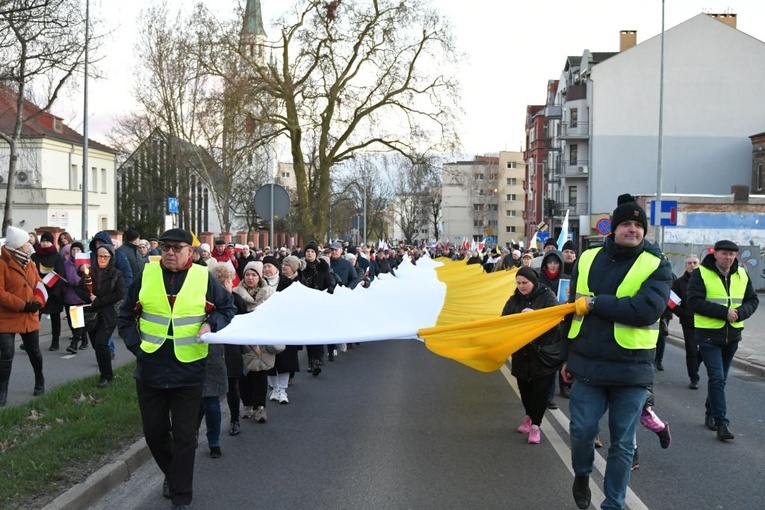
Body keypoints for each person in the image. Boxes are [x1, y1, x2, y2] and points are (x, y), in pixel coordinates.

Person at [561, 194, 672, 510]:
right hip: (587, 364)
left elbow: (646, 310)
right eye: (626, 223)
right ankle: (582, 473)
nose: (633, 230)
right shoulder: (587, 258)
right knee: (581, 431)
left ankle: (614, 503)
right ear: (614, 227)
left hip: (632, 369)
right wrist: (564, 357)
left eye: (639, 225)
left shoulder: (656, 264)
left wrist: (597, 303)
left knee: (623, 444)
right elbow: (572, 310)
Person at [117, 228, 236, 508]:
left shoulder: (202, 276)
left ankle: (181, 495)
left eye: (177, 248)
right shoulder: (147, 274)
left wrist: (211, 324)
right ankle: (173, 473)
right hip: (151, 368)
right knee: (154, 433)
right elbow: (124, 315)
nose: (169, 252)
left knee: (185, 437)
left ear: (190, 252)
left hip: (189, 369)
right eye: (166, 247)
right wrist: (137, 347)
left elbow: (226, 308)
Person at [686, 240, 758, 441]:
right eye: (725, 254)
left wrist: (740, 313)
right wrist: (723, 313)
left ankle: (710, 413)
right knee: (717, 378)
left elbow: (752, 300)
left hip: (732, 335)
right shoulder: (701, 273)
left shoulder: (741, 273)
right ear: (715, 254)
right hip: (708, 334)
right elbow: (693, 301)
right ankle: (721, 423)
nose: (729, 258)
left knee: (721, 379)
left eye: (732, 254)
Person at [503, 267, 561, 444]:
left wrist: (535, 316)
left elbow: (556, 319)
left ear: (533, 282)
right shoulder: (514, 300)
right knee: (524, 390)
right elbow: (504, 319)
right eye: (518, 283)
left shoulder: (547, 295)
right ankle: (528, 416)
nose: (521, 286)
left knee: (540, 392)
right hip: (522, 353)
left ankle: (536, 425)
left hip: (543, 354)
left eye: (524, 283)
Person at [0, 226, 46, 406]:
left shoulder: (30, 263)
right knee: (6, 355)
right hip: (7, 317)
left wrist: (37, 302)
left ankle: (39, 380)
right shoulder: (2, 264)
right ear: (18, 246)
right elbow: (1, 293)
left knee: (34, 351)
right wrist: (22, 305)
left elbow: (39, 283)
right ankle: (2, 390)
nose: (29, 245)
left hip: (29, 316)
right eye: (26, 242)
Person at [75, 244, 124, 387]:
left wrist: (100, 301)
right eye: (100, 256)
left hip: (108, 314)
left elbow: (119, 293)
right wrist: (88, 297)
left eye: (105, 256)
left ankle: (106, 376)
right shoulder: (89, 271)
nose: (102, 259)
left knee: (102, 343)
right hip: (91, 315)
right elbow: (79, 289)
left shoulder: (116, 274)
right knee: (97, 345)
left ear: (111, 257)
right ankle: (105, 369)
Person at [233, 261, 275, 423]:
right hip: (243, 338)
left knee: (261, 374)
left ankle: (260, 407)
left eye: (254, 274)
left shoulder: (269, 293)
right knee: (244, 374)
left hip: (262, 338)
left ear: (260, 276)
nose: (250, 278)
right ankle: (247, 404)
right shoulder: (236, 293)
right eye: (247, 274)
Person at [299, 241, 336, 375]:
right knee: (309, 334)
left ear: (316, 254)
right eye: (308, 251)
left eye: (312, 252)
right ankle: (310, 360)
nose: (310, 253)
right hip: (305, 304)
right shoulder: (301, 267)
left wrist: (330, 287)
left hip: (319, 303)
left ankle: (318, 359)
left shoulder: (322, 267)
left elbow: (329, 279)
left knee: (318, 332)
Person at [31, 232, 66, 351]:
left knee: (55, 317)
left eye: (47, 241)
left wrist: (56, 292)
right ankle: (31, 342)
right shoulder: (35, 256)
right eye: (43, 241)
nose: (45, 244)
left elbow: (60, 274)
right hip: (38, 291)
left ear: (52, 243)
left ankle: (55, 341)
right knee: (35, 317)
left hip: (53, 291)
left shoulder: (57, 257)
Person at [671, 255, 701, 389]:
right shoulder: (678, 283)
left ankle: (697, 361)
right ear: (685, 266)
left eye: (695, 263)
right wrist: (682, 313)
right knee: (691, 350)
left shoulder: (705, 280)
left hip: (707, 321)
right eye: (689, 263)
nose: (692, 265)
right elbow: (671, 302)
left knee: (706, 349)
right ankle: (694, 377)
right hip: (688, 321)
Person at [62, 243, 88, 354]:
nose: (75, 251)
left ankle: (74, 343)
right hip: (69, 295)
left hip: (80, 296)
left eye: (78, 249)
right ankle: (85, 339)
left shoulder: (84, 263)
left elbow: (89, 277)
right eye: (73, 249)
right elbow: (62, 275)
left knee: (78, 321)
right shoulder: (66, 264)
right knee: (72, 321)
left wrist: (80, 283)